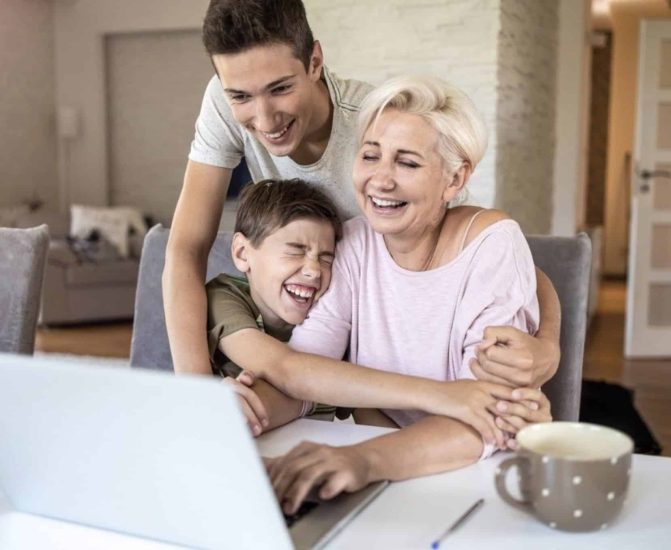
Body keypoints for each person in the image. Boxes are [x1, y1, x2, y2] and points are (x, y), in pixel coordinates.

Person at [164, 0, 562, 387]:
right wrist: (195, 393)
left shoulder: (381, 132)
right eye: (241, 96)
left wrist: (547, 345)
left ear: (315, 62)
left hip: (360, 358)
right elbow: (186, 247)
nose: (265, 119)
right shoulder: (223, 99)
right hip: (303, 344)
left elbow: (491, 259)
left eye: (281, 88)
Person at [264, 75, 552, 515]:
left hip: (472, 481)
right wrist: (248, 410)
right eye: (371, 155)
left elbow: (490, 417)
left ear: (454, 178)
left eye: (408, 163)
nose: (380, 180)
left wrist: (361, 460)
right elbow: (307, 371)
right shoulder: (355, 241)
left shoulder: (492, 242)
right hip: (377, 471)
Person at [207, 177, 534, 446]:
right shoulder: (226, 297)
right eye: (295, 251)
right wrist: (444, 396)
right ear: (241, 252)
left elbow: (364, 405)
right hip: (226, 440)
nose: (313, 270)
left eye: (326, 257)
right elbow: (288, 370)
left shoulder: (333, 308)